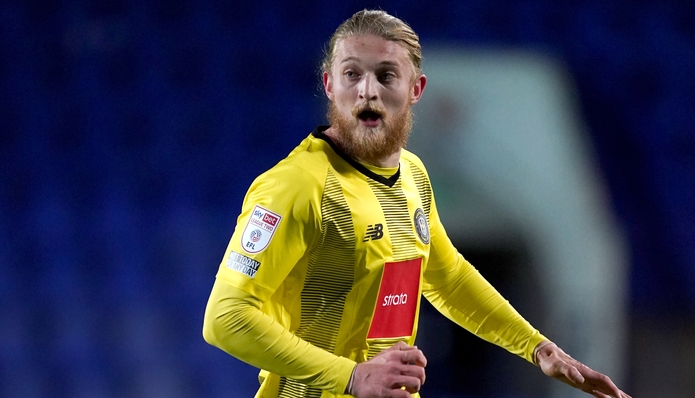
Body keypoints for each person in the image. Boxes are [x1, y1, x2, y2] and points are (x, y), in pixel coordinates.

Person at [203, 9, 631, 398]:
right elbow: (225, 317)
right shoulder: (296, 186)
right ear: (330, 85)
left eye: (386, 75)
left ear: (416, 89)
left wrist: (537, 348)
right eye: (352, 74)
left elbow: (447, 276)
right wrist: (352, 377)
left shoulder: (412, 175)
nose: (367, 91)